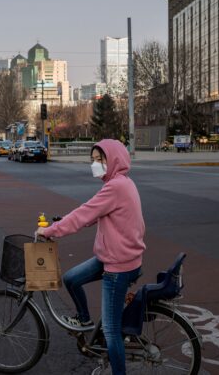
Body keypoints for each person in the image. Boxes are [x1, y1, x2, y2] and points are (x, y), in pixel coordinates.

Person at [37, 139, 145, 375]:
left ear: (114, 160)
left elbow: (85, 213)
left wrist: (50, 230)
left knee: (111, 330)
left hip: (118, 265)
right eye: (93, 160)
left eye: (100, 160)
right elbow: (94, 213)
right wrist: (63, 221)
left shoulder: (115, 187)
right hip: (115, 257)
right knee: (72, 278)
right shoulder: (122, 183)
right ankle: (84, 319)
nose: (95, 165)